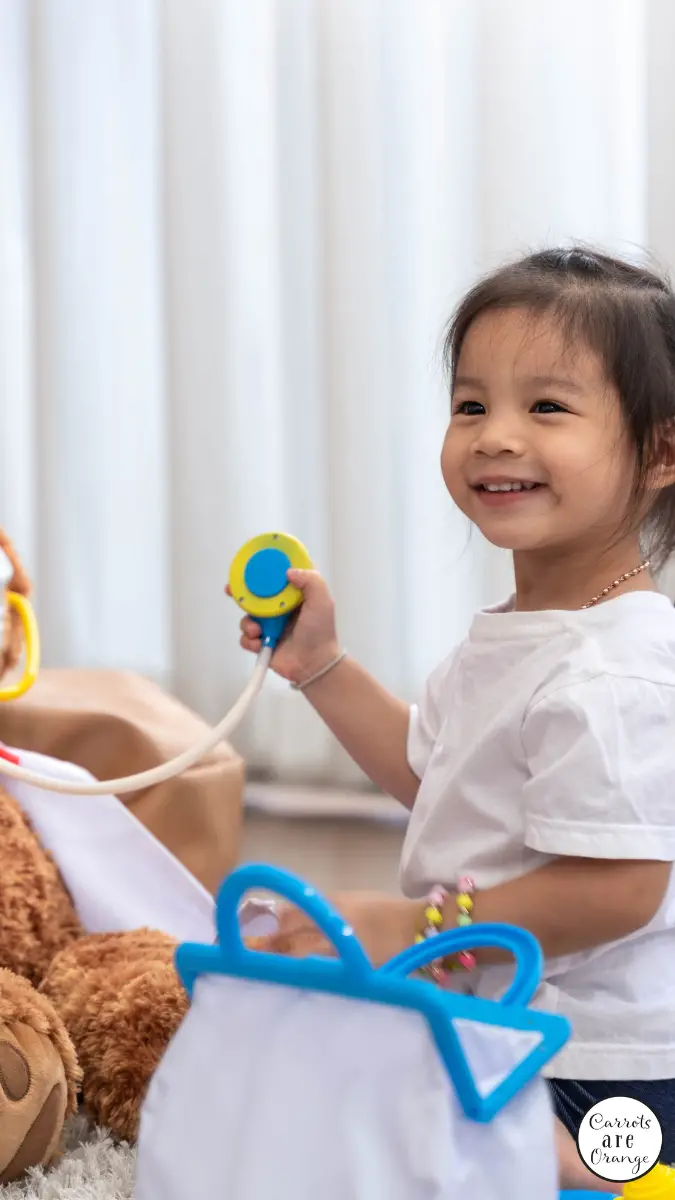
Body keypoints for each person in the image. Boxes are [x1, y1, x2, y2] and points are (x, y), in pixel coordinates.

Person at [231, 246, 675, 1188]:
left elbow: (620, 887)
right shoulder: (521, 636)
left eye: (546, 407)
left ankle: (623, 1174)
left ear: (659, 452)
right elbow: (437, 776)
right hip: (499, 1016)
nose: (494, 436)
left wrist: (419, 925)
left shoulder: (615, 666)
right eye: (471, 405)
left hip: (602, 1068)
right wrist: (319, 668)